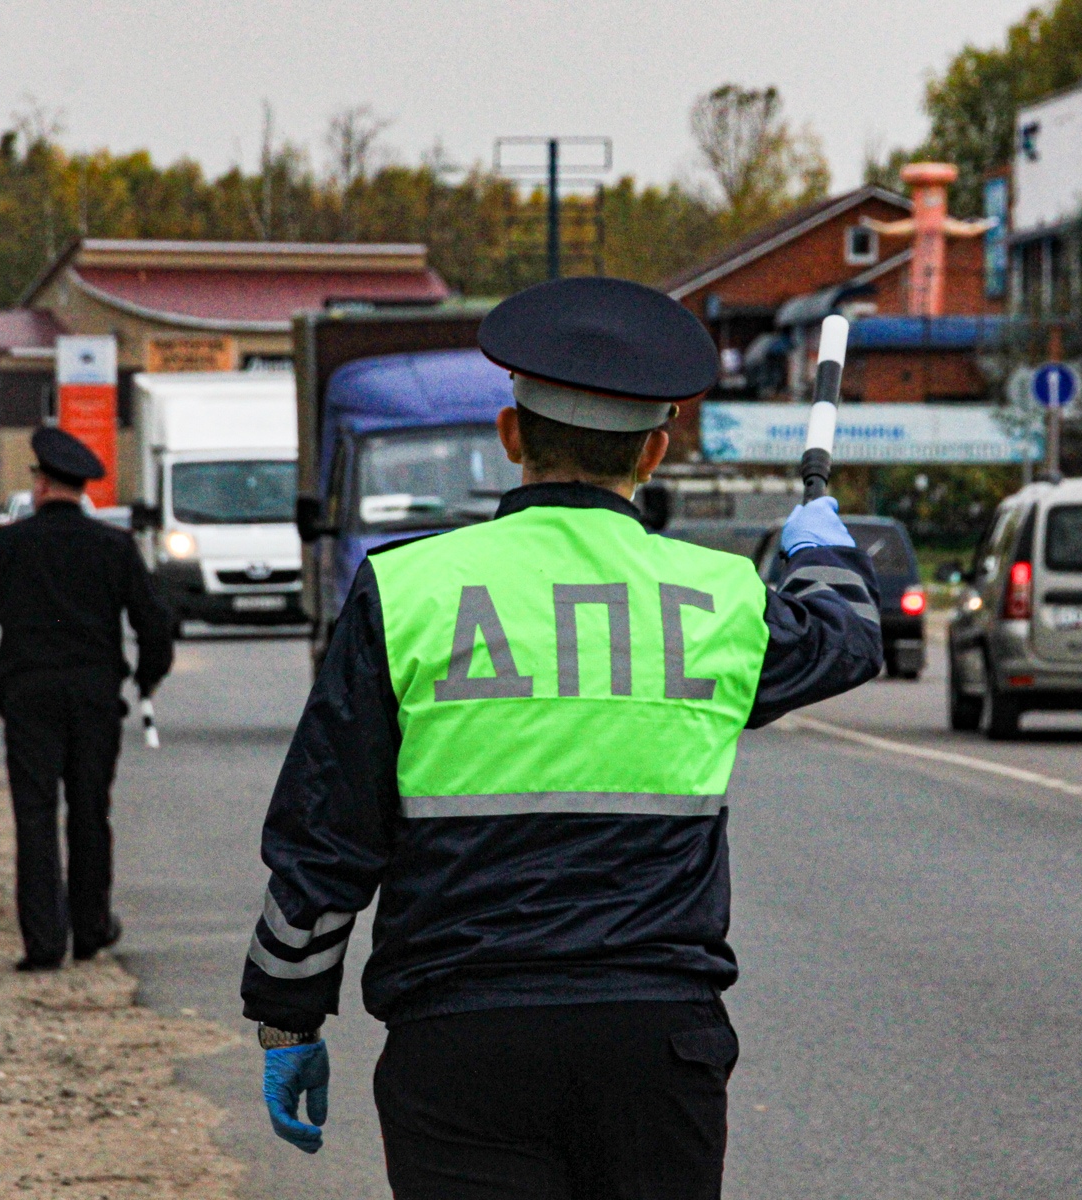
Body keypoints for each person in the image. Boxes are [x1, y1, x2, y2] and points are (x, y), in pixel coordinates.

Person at [241, 276, 884, 1199]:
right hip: (657, 1044)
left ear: (510, 438)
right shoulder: (716, 599)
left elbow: (327, 837)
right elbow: (849, 637)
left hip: (460, 1042)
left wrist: (288, 1019)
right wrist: (819, 545)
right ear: (655, 452)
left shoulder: (407, 589)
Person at [0, 427, 175, 972]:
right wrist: (145, 680)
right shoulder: (113, 546)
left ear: (40, 484)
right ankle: (90, 929)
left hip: (28, 696)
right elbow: (155, 627)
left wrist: (1, 694)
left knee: (34, 818)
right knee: (89, 812)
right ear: (81, 489)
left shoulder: (6, 545)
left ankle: (43, 943)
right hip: (93, 697)